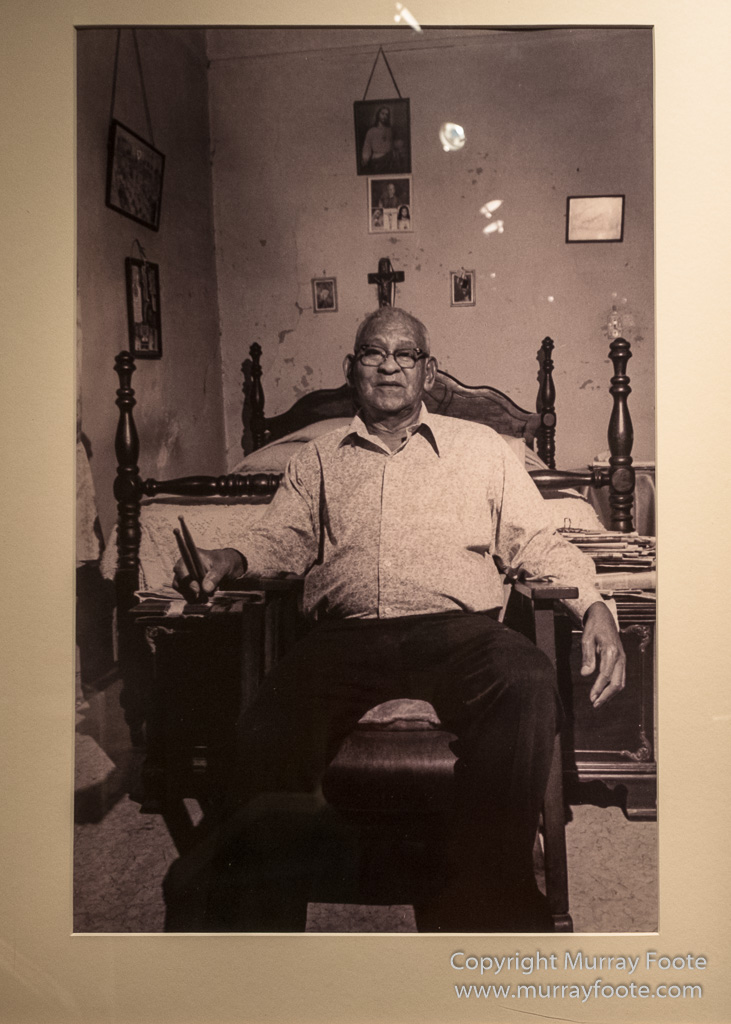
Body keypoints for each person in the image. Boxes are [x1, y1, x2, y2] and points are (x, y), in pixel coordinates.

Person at [167, 307, 625, 933]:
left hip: (460, 633)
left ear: (428, 372)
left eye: (404, 354)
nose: (388, 365)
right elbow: (279, 540)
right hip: (344, 637)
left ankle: (488, 898)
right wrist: (228, 557)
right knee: (265, 728)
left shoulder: (483, 449)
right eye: (372, 353)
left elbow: (537, 542)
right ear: (351, 368)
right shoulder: (318, 458)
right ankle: (260, 939)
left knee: (527, 677)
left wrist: (594, 603)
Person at [361, 105, 393, 173]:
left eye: (387, 115)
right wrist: (365, 159)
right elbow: (367, 147)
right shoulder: (371, 131)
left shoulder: (390, 130)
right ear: (378, 114)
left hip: (389, 162)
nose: (384, 116)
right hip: (377, 163)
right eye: (382, 114)